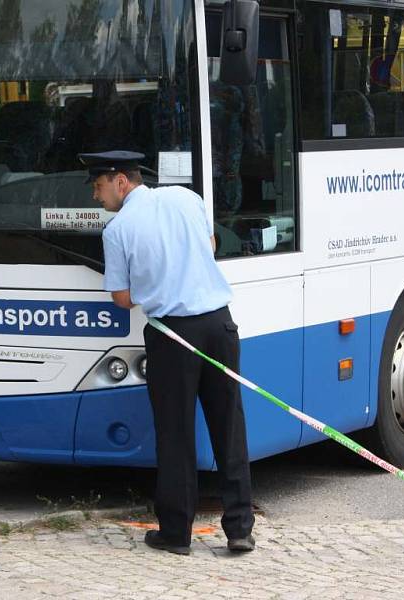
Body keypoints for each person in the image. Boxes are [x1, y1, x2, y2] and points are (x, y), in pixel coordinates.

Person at [79, 150, 255, 556]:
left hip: (173, 336)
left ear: (121, 181)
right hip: (218, 325)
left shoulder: (118, 229)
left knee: (175, 434)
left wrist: (155, 284)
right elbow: (210, 246)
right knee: (229, 427)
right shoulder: (186, 198)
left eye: (98, 186)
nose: (96, 196)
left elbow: (122, 298)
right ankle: (240, 529)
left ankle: (176, 534)